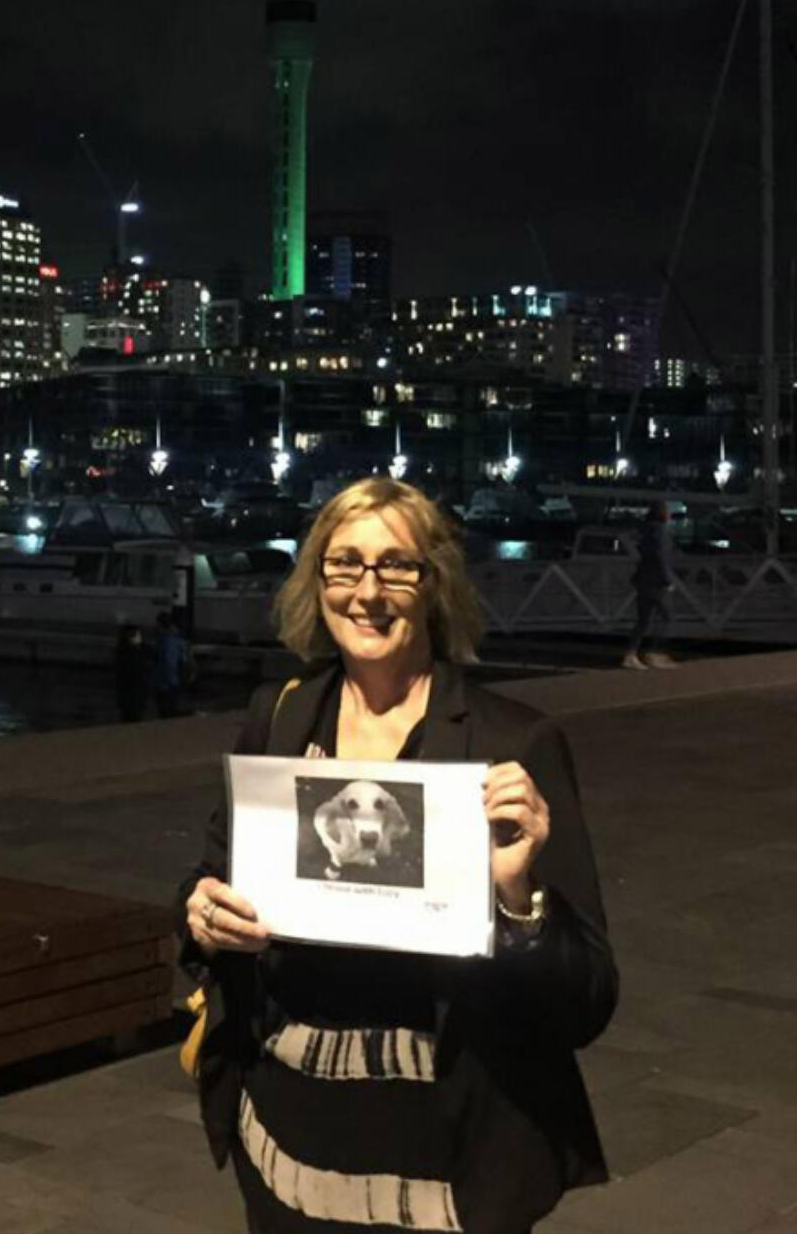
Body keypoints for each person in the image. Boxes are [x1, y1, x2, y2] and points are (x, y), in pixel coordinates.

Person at [177, 477, 617, 1234]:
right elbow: (211, 879)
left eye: (395, 565)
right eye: (344, 564)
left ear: (433, 581)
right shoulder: (280, 717)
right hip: (288, 1141)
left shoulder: (511, 745)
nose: (368, 590)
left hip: (443, 1156)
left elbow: (588, 998)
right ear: (317, 582)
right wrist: (203, 913)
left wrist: (519, 900)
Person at [622, 502, 677, 669]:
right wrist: (667, 579)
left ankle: (631, 654)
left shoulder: (644, 532)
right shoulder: (661, 533)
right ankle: (654, 652)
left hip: (642, 580)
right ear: (663, 515)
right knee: (667, 617)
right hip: (656, 582)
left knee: (643, 620)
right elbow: (661, 558)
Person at [152, 612, 188, 718]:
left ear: (161, 625)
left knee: (166, 713)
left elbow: (169, 664)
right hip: (171, 684)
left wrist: (171, 682)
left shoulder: (167, 641)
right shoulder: (175, 640)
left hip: (166, 686)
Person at [114, 622, 147, 723]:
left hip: (128, 697)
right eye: (138, 635)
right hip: (134, 696)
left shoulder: (123, 652)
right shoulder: (133, 654)